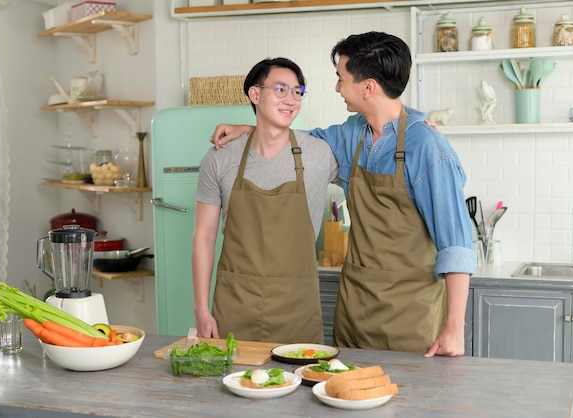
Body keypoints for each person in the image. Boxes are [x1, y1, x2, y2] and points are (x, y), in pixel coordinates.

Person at [210, 32, 475, 357]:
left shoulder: (428, 148)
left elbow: (457, 245)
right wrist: (248, 129)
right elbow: (300, 140)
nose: (337, 87)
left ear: (368, 87)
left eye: (341, 78)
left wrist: (454, 328)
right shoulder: (353, 135)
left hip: (411, 314)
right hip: (354, 309)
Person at [192, 57, 338, 344]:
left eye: (298, 91)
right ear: (255, 94)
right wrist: (200, 309)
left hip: (298, 309)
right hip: (235, 306)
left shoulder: (319, 154)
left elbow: (371, 140)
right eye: (281, 89)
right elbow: (204, 238)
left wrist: (419, 126)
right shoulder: (220, 158)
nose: (291, 99)